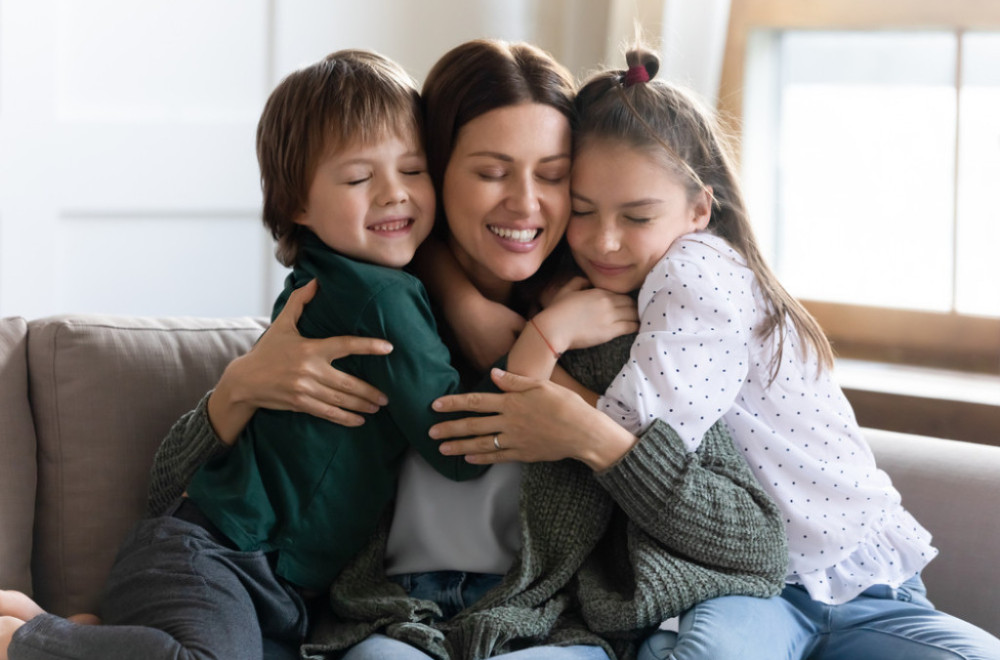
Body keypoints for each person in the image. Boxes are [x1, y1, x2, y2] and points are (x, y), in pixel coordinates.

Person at [133, 39, 790, 660]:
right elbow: (168, 493)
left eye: (553, 175)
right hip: (389, 621)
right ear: (436, 173)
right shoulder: (368, 308)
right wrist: (239, 387)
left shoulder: (609, 327)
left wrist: (595, 435)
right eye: (490, 171)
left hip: (541, 633)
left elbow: (755, 541)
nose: (526, 203)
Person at [432, 45, 1000, 660]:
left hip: (855, 576)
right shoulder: (617, 271)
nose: (604, 239)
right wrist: (453, 280)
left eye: (637, 215)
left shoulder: (694, 268)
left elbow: (632, 438)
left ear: (700, 208)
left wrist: (542, 341)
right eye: (585, 210)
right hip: (744, 589)